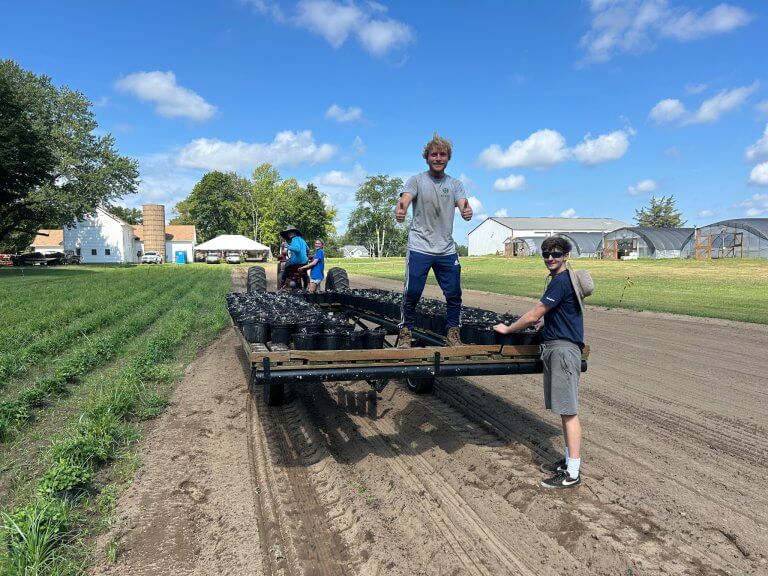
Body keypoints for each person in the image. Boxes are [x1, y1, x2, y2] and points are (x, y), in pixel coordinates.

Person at [493, 235, 587, 489]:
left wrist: (509, 328)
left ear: (566, 255)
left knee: (569, 412)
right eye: (546, 254)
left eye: (556, 254)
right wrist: (547, 323)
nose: (550, 258)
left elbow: (535, 312)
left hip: (563, 351)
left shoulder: (560, 281)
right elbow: (562, 312)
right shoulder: (564, 281)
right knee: (564, 410)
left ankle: (573, 473)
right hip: (560, 347)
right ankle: (569, 461)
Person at [394, 134, 473, 348]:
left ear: (448, 158)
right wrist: (400, 209)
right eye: (434, 154)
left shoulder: (455, 184)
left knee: (454, 294)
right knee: (412, 292)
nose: (438, 158)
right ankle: (405, 332)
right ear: (427, 157)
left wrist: (467, 210)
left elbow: (464, 204)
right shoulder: (417, 180)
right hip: (420, 246)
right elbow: (405, 200)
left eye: (443, 154)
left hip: (446, 249)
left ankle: (453, 334)